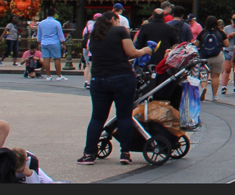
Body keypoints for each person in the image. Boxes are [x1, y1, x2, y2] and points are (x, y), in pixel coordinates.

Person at [77, 10, 153, 165]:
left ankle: (89, 153)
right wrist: (145, 50)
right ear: (113, 19)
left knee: (97, 117)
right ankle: (125, 153)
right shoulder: (120, 31)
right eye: (118, 20)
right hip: (121, 77)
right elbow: (131, 52)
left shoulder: (94, 36)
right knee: (124, 116)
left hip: (98, 79)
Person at [197, 16, 227, 101]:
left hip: (204, 57)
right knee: (215, 76)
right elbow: (227, 44)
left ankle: (203, 88)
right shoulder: (220, 33)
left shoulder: (203, 32)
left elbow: (196, 44)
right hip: (217, 56)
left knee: (204, 75)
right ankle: (214, 95)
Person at [37, 9, 66, 81]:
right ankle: (59, 75)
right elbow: (60, 34)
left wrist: (39, 42)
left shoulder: (41, 23)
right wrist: (63, 43)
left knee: (46, 59)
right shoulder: (56, 23)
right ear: (54, 15)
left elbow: (39, 34)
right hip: (54, 42)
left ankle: (48, 76)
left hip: (44, 42)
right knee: (57, 59)